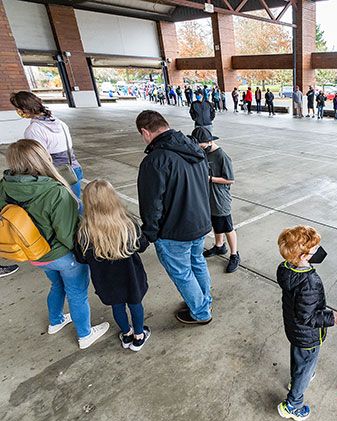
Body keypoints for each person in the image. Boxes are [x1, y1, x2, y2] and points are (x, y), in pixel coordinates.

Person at [0, 139, 109, 349]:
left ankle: (56, 321)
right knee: (77, 293)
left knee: (56, 285)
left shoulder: (5, 185)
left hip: (34, 253)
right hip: (61, 256)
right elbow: (66, 235)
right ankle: (85, 334)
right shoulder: (55, 191)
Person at [135, 111, 213, 325]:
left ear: (145, 132)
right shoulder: (193, 148)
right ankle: (204, 301)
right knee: (197, 263)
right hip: (200, 223)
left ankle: (200, 312)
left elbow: (152, 205)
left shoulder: (155, 160)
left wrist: (148, 234)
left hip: (174, 230)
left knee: (182, 272)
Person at [276, 225, 337, 421]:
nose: (319, 250)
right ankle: (293, 404)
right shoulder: (309, 281)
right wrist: (333, 318)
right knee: (306, 363)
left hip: (294, 330)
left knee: (299, 358)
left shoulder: (285, 269)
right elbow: (308, 317)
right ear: (303, 256)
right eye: (315, 248)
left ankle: (297, 379)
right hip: (307, 335)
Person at [74, 180, 152, 351]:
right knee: (135, 304)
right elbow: (143, 245)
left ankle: (126, 333)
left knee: (117, 306)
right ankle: (139, 336)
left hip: (106, 280)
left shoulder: (84, 231)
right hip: (131, 276)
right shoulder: (128, 224)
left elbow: (81, 257)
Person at [10, 91, 85, 198]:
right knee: (75, 204)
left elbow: (39, 159)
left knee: (61, 208)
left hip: (56, 174)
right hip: (74, 170)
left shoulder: (34, 130)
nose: (17, 111)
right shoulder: (59, 122)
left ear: (26, 108)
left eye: (18, 108)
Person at [191, 128, 240, 273]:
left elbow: (230, 180)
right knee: (215, 222)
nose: (200, 149)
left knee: (227, 226)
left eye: (202, 146)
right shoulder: (204, 153)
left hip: (220, 198)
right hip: (207, 197)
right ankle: (219, 246)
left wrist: (210, 179)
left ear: (210, 142)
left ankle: (234, 254)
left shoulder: (221, 156)